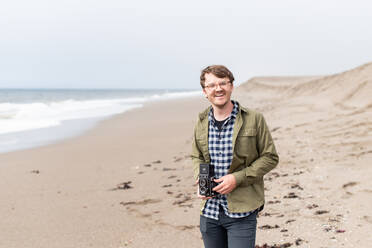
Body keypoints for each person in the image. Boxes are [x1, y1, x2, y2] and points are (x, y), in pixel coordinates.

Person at [191, 65, 279, 248]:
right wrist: (200, 180)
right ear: (204, 92)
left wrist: (236, 178)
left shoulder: (254, 118)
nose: (218, 88)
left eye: (223, 83)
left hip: (242, 213)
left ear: (231, 86)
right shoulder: (200, 121)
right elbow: (196, 157)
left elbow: (270, 157)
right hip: (209, 212)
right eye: (212, 85)